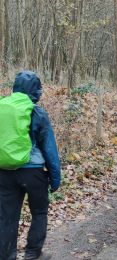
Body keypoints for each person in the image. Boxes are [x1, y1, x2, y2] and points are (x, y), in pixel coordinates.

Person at [0, 71, 61, 260]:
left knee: (6, 216)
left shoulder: (2, 108)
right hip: (33, 173)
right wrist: (55, 177)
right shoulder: (36, 112)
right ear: (35, 90)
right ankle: (33, 253)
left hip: (5, 171)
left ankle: (6, 255)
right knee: (39, 211)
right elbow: (49, 148)